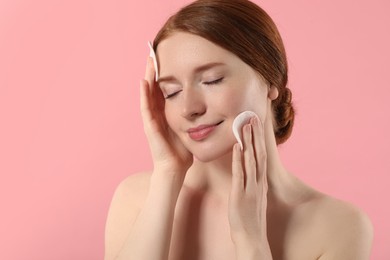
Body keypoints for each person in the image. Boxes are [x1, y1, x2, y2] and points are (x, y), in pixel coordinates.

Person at [104, 0, 373, 259]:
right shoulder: (137, 199)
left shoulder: (339, 227)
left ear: (269, 80)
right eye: (171, 92)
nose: (189, 108)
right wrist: (167, 174)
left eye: (212, 80)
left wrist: (251, 242)